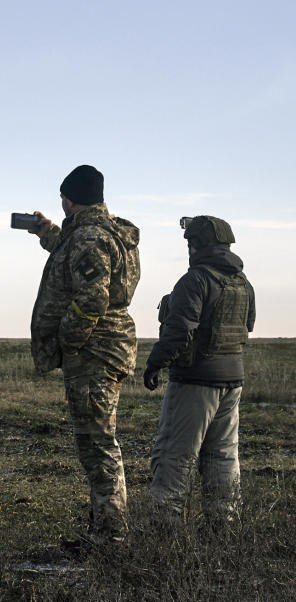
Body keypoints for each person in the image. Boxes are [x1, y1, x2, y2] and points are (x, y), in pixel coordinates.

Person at [28, 165, 140, 544]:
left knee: (97, 443)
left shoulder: (89, 236)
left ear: (69, 199)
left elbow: (93, 294)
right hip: (108, 346)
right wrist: (46, 232)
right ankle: (104, 528)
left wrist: (68, 339)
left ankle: (111, 536)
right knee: (97, 439)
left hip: (94, 351)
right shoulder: (103, 231)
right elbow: (72, 254)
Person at [142, 216, 255, 527]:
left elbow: (179, 332)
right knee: (222, 457)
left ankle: (166, 537)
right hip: (232, 381)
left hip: (194, 382)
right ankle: (224, 533)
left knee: (174, 457)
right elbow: (249, 326)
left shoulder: (195, 280)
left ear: (196, 245)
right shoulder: (243, 283)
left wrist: (155, 364)